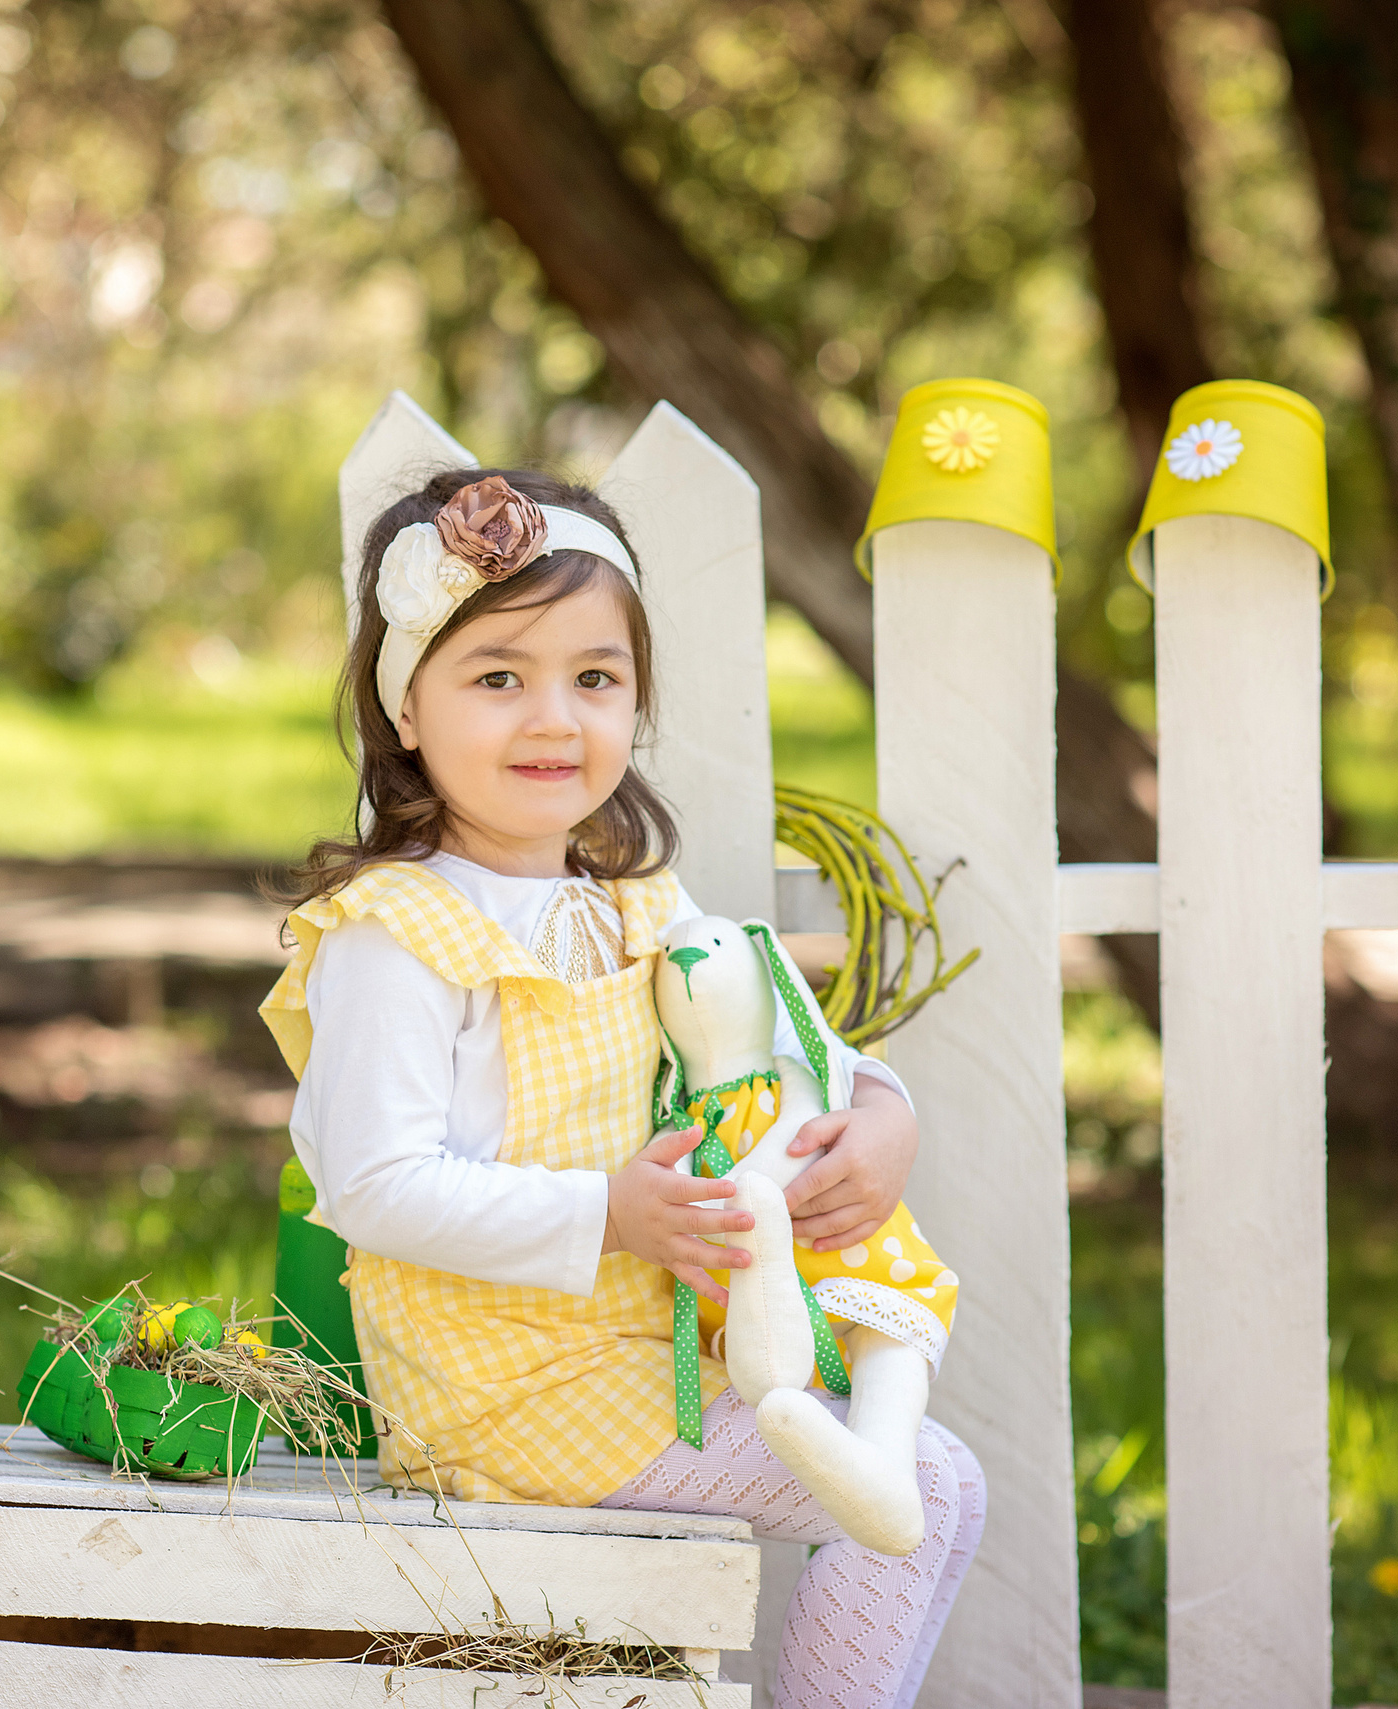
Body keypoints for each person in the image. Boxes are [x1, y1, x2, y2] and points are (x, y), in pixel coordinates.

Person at [259, 470, 983, 1708]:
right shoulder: (396, 931)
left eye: (593, 677)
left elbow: (777, 1031)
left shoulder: (635, 903)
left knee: (932, 1480)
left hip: (640, 1357)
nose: (553, 716)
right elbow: (370, 1185)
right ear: (407, 711)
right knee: (932, 1484)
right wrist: (609, 1212)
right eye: (498, 676)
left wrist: (880, 1112)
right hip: (496, 1392)